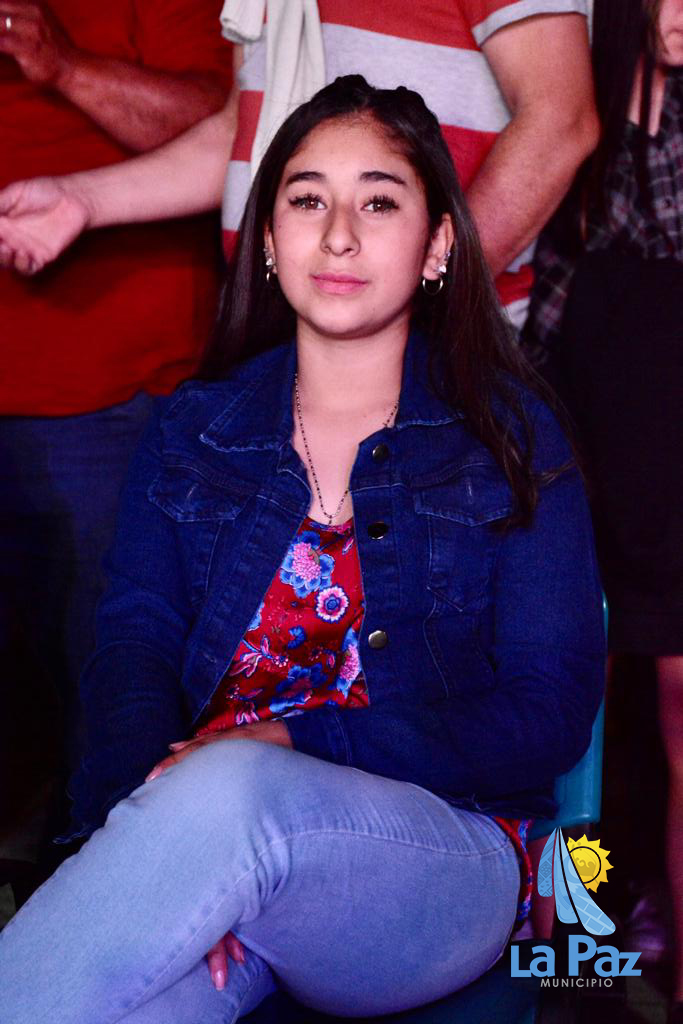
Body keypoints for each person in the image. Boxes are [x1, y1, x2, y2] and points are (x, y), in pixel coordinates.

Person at [0, 76, 605, 1024]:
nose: (339, 236)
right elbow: (133, 650)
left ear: (438, 245)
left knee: (235, 788)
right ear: (269, 240)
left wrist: (292, 742)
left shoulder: (510, 439)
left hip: (442, 859)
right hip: (213, 837)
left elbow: (548, 711)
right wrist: (156, 848)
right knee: (141, 1003)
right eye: (307, 200)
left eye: (379, 202)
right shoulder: (197, 428)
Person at [0, 0, 231, 894]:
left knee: (111, 696)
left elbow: (231, 128)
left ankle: (97, 906)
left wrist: (59, 62)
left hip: (106, 394)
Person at [0, 0, 599, 331]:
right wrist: (85, 201)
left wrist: (422, 311)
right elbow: (246, 133)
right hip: (281, 343)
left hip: (432, 356)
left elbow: (561, 122)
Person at [524, 2, 683, 1017]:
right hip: (586, 441)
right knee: (565, 716)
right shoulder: (573, 86)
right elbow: (550, 291)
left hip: (668, 455)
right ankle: (563, 964)